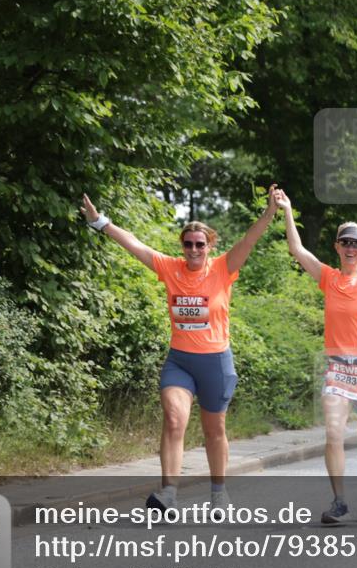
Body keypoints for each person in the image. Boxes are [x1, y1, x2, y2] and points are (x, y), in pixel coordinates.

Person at [80, 191, 278, 515]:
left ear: (209, 245)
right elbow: (135, 245)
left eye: (200, 244)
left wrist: (270, 211)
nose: (194, 250)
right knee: (174, 420)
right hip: (180, 362)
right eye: (188, 244)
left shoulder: (223, 268)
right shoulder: (171, 268)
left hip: (215, 362)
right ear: (182, 246)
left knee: (215, 431)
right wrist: (99, 222)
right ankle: (169, 494)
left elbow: (248, 240)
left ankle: (219, 493)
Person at [276, 191, 357, 525]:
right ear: (337, 247)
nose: (351, 247)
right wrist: (287, 209)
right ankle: (340, 501)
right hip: (339, 368)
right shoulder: (328, 277)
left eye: (356, 243)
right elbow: (297, 250)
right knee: (333, 433)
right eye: (345, 242)